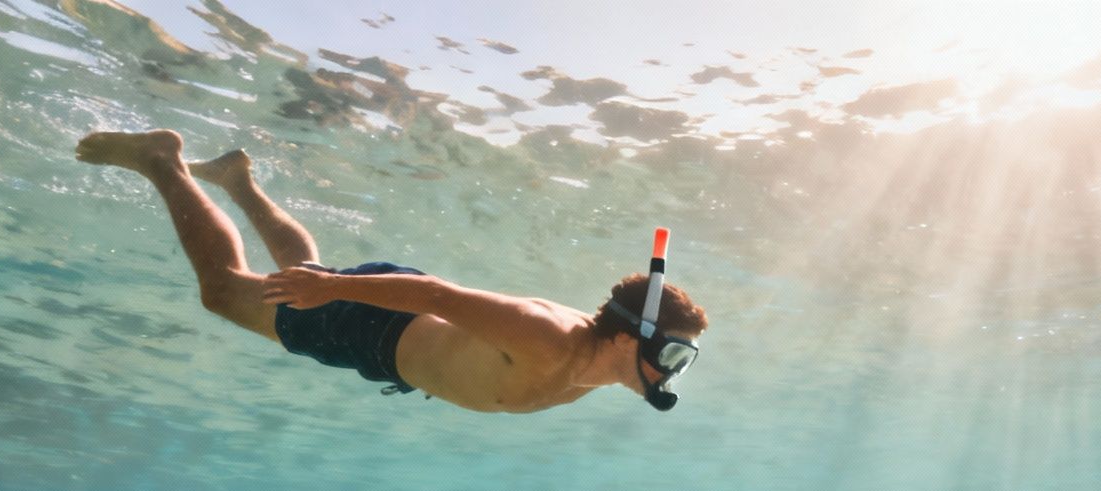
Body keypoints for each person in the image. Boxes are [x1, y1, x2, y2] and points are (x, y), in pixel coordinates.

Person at [73, 129, 707, 413]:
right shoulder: (550, 338)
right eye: (674, 355)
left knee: (298, 271)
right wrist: (333, 289)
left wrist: (325, 283)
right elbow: (439, 295)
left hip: (387, 344)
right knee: (222, 292)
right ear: (630, 336)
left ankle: (238, 182)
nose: (673, 372)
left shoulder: (595, 369)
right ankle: (162, 160)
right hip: (374, 325)